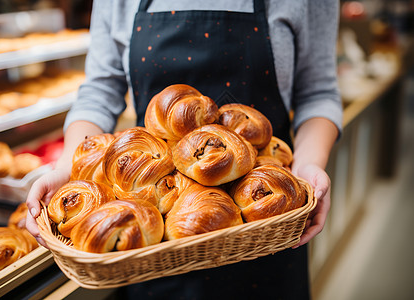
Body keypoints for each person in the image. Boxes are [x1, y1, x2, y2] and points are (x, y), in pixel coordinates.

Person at [26, 0, 343, 299]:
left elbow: (318, 92)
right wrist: (68, 168)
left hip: (268, 225)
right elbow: (100, 88)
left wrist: (308, 165)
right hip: (150, 239)